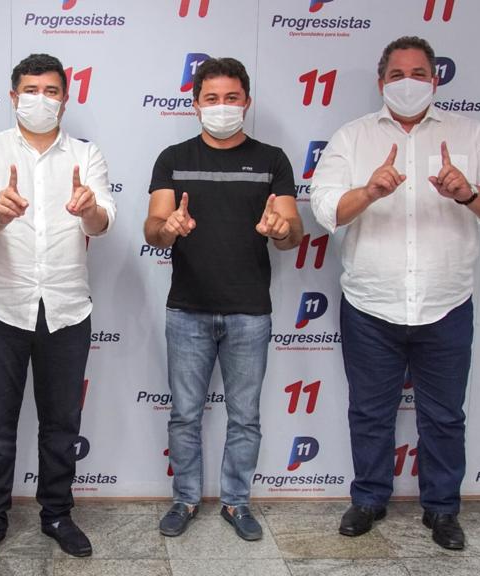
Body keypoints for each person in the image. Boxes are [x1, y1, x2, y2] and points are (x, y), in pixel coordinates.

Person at [310, 36, 480, 550]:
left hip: (445, 304)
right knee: (369, 413)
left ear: (435, 79)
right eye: (398, 74)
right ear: (381, 82)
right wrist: (370, 191)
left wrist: (467, 193)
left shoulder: (471, 135)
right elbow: (325, 208)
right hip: (370, 305)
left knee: (444, 416)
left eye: (420, 73)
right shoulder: (353, 137)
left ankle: (443, 509)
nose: (409, 82)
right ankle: (368, 499)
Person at [0, 53, 115, 565]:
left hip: (67, 307)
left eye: (50, 91)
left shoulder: (86, 154)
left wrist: (89, 209)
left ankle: (57, 514)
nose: (40, 99)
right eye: (30, 90)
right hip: (2, 305)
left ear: (65, 100)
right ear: (13, 96)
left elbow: (103, 222)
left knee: (61, 423)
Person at [144, 57, 303, 541]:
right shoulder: (172, 157)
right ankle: (185, 499)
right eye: (211, 98)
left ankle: (237, 502)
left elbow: (292, 234)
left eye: (231, 98)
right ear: (195, 105)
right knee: (184, 415)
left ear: (246, 102)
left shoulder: (272, 159)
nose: (221, 106)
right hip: (187, 310)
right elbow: (153, 229)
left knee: (245, 417)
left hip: (249, 312)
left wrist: (281, 229)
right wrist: (168, 227)